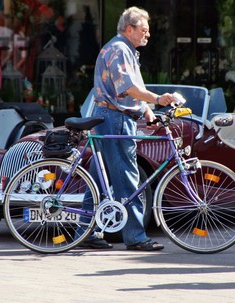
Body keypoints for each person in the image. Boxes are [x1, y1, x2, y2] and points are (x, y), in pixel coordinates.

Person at [79, 6, 174, 251]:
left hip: (108, 114)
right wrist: (157, 99)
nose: (148, 34)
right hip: (114, 118)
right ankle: (135, 237)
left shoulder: (125, 49)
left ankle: (85, 231)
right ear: (129, 28)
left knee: (101, 177)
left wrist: (147, 110)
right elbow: (127, 87)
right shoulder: (120, 49)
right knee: (127, 178)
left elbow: (131, 88)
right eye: (144, 30)